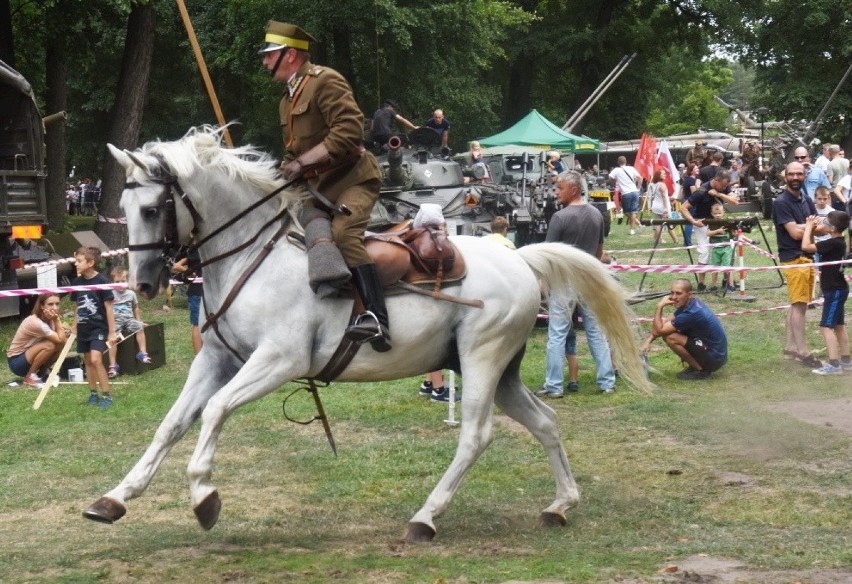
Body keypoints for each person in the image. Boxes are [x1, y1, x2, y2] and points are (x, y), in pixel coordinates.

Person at [260, 21, 390, 352]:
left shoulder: (325, 81)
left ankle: (378, 319)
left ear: (289, 55)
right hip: (317, 189)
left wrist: (302, 164)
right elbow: (294, 150)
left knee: (345, 236)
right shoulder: (286, 100)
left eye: (269, 54)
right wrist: (281, 170)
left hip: (353, 180)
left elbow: (349, 132)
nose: (263, 61)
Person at [538, 170, 616, 397]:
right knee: (596, 332)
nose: (556, 192)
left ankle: (554, 386)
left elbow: (548, 254)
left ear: (573, 189)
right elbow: (600, 252)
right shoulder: (596, 214)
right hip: (590, 280)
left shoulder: (560, 218)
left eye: (559, 188)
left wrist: (543, 282)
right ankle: (606, 382)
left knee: (557, 334)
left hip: (564, 283)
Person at [773, 160, 830, 367]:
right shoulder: (781, 202)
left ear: (804, 176)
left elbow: (821, 225)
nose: (795, 178)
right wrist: (809, 227)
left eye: (799, 174)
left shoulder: (806, 199)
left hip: (806, 257)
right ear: (785, 176)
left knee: (798, 303)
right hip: (793, 258)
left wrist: (808, 227)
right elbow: (795, 233)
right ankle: (803, 352)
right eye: (791, 174)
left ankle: (790, 348)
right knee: (799, 306)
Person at [641, 278, 728, 380]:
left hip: (714, 358)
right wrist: (648, 342)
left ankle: (700, 371)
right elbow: (663, 324)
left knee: (671, 337)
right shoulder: (691, 304)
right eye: (672, 293)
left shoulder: (692, 313)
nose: (673, 297)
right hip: (715, 353)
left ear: (690, 294)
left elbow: (660, 330)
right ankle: (696, 366)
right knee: (666, 328)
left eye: (678, 293)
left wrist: (659, 306)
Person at [802, 211, 851, 375]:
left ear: (832, 228)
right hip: (838, 288)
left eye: (825, 223)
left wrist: (808, 227)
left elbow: (805, 247)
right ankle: (846, 360)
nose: (822, 225)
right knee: (838, 326)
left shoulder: (833, 243)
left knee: (825, 327)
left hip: (834, 290)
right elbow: (813, 246)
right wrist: (812, 230)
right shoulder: (837, 242)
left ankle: (834, 365)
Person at [678, 169, 739, 291]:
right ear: (716, 180)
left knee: (728, 248)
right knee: (704, 251)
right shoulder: (701, 191)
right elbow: (683, 208)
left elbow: (735, 202)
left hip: (718, 222)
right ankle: (701, 283)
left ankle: (727, 280)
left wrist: (719, 194)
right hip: (703, 223)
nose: (724, 187)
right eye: (722, 185)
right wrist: (694, 221)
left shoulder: (723, 188)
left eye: (725, 186)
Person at [71, 246, 116, 408]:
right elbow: (77, 305)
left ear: (90, 263)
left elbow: (109, 308)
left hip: (99, 328)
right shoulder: (76, 282)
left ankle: (107, 395)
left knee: (96, 359)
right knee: (88, 361)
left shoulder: (102, 281)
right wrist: (74, 324)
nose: (76, 264)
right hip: (83, 328)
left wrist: (112, 331)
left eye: (79, 261)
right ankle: (93, 393)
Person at [6, 293, 67, 388]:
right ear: (42, 306)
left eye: (57, 304)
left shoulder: (50, 319)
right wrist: (57, 320)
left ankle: (42, 373)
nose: (55, 308)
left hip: (29, 356)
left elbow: (62, 341)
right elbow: (60, 339)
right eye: (50, 304)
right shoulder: (35, 322)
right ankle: (30, 377)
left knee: (59, 346)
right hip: (16, 361)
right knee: (50, 345)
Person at [106, 266, 152, 379]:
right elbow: (108, 310)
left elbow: (135, 308)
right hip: (116, 320)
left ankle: (142, 353)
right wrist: (109, 327)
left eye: (123, 281)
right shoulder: (110, 294)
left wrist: (139, 320)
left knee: (139, 327)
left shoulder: (131, 294)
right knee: (112, 339)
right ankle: (113, 365)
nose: (120, 284)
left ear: (128, 281)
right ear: (112, 282)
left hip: (129, 319)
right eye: (117, 282)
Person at [172, 246, 203, 354]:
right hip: (197, 292)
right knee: (197, 324)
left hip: (210, 291)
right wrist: (189, 271)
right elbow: (176, 266)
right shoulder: (193, 251)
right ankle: (198, 356)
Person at [608, 156, 642, 235]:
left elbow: (610, 177)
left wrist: (614, 182)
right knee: (633, 211)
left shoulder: (616, 170)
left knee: (626, 211)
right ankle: (635, 226)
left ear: (618, 162)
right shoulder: (631, 168)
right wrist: (638, 188)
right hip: (634, 191)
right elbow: (640, 178)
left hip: (626, 193)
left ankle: (634, 227)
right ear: (626, 161)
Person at [707, 203, 735, 292]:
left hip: (726, 248)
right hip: (715, 248)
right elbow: (708, 233)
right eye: (715, 214)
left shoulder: (727, 222)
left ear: (723, 213)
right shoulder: (711, 223)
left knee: (727, 267)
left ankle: (731, 285)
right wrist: (717, 231)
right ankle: (714, 285)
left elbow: (734, 233)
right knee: (715, 268)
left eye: (719, 213)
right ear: (712, 214)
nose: (717, 215)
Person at [648, 168, 677, 244]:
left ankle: (659, 240)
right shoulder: (662, 185)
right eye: (662, 174)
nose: (665, 175)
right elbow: (664, 197)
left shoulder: (652, 184)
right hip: (663, 206)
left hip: (655, 206)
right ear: (658, 176)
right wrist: (665, 209)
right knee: (669, 224)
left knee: (658, 224)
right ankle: (675, 240)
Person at [679, 163, 700, 247]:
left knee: (688, 222)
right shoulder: (691, 180)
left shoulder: (686, 179)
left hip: (685, 200)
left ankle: (687, 242)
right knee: (689, 222)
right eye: (696, 168)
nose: (698, 169)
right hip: (690, 202)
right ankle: (688, 243)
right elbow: (694, 193)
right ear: (691, 171)